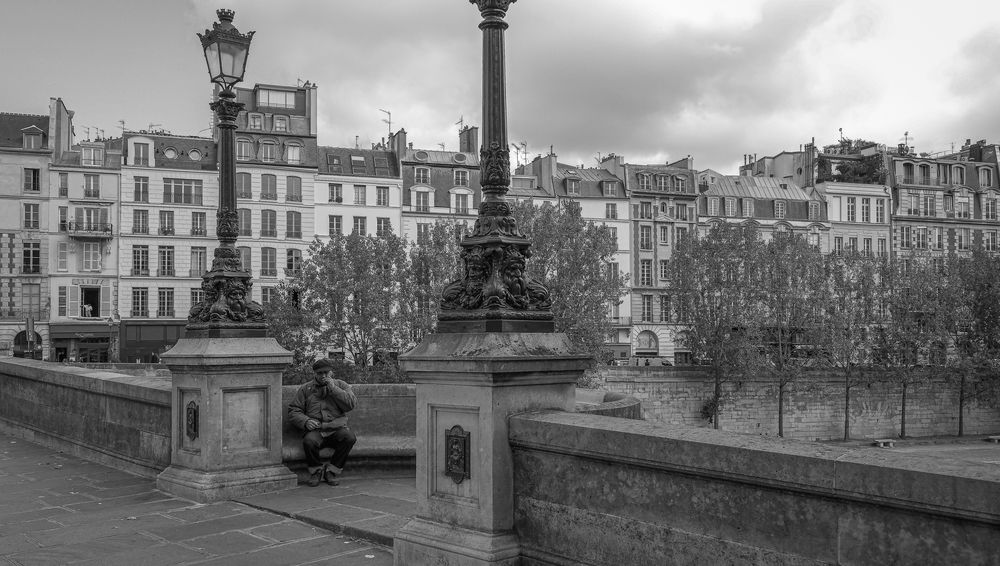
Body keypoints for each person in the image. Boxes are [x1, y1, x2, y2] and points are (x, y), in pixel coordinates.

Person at [288, 358, 358, 487]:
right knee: (309, 441)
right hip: (316, 430)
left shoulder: (341, 385)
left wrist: (333, 388)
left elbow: (350, 404)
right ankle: (316, 471)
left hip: (336, 429)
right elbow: (294, 410)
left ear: (331, 372)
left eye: (326, 372)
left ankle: (332, 471)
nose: (323, 376)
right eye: (320, 373)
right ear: (315, 374)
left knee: (349, 438)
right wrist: (306, 421)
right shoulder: (306, 389)